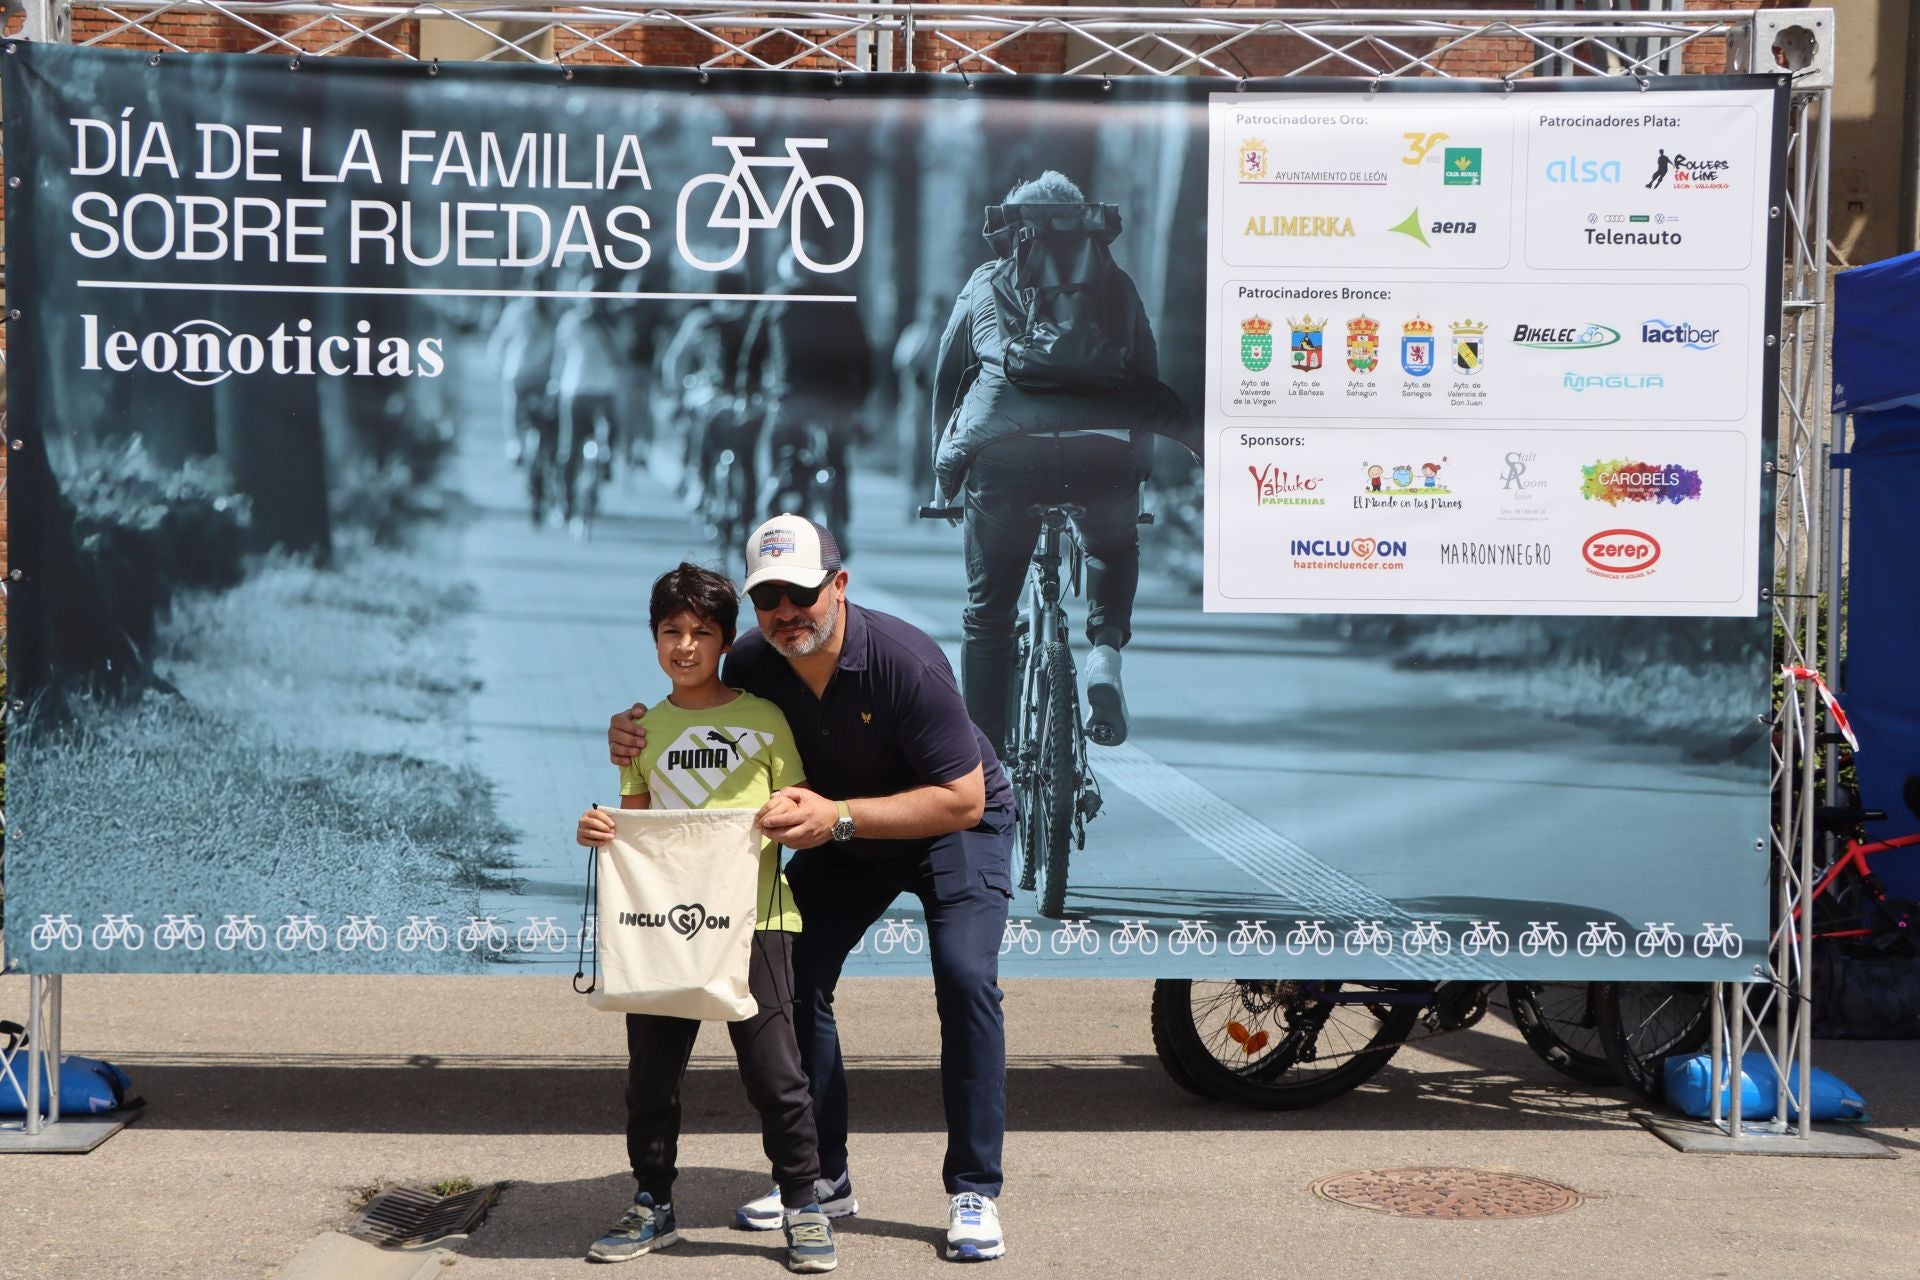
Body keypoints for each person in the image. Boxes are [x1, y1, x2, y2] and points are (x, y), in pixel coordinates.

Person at [607, 514, 1017, 1263]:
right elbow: (697, 712)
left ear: (839, 584)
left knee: (964, 977)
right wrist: (629, 731)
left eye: (802, 592)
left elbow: (962, 799)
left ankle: (973, 1189)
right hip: (844, 833)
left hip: (952, 829)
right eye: (770, 599)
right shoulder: (758, 661)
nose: (787, 612)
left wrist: (840, 817)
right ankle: (825, 1177)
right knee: (790, 978)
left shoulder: (906, 661)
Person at [575, 563, 837, 1273]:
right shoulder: (641, 731)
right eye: (671, 632)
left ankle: (803, 1206)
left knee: (776, 1076)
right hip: (663, 929)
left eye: (701, 633)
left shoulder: (763, 719)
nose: (685, 646)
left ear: (726, 642)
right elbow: (637, 829)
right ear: (654, 638)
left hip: (758, 922)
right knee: (650, 1081)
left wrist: (786, 816)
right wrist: (600, 832)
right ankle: (651, 1204)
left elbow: (800, 808)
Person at [929, 171, 1197, 756]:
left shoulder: (984, 282)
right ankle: (1103, 650)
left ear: (1013, 229)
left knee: (988, 615)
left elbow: (949, 377)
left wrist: (944, 474)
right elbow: (1145, 374)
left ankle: (989, 764)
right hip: (1102, 454)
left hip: (1004, 456)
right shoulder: (1115, 282)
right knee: (1111, 544)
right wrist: (1138, 472)